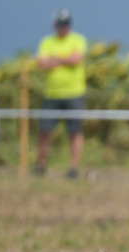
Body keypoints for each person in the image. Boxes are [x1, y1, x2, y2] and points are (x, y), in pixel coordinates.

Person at [35, 9, 87, 178]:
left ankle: (73, 167)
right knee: (45, 130)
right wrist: (66, 59)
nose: (63, 27)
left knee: (75, 130)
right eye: (60, 24)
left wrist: (55, 59)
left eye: (66, 24)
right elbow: (42, 63)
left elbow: (76, 59)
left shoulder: (78, 39)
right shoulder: (47, 41)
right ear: (55, 25)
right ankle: (41, 165)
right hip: (52, 94)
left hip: (75, 93)